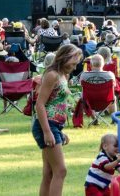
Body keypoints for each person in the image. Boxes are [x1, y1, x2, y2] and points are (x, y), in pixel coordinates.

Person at [34, 44, 82, 196]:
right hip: (46, 125)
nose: (74, 68)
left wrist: (60, 131)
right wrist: (48, 132)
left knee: (49, 172)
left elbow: (57, 102)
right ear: (64, 57)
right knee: (61, 170)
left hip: (55, 125)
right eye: (73, 63)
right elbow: (40, 104)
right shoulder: (52, 75)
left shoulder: (63, 75)